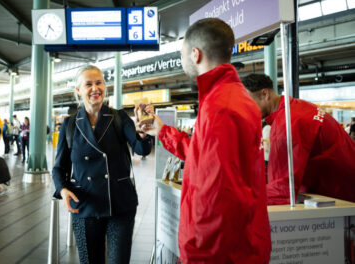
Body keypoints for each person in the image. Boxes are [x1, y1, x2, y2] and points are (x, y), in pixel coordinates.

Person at [139, 18, 271, 263]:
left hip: (217, 251)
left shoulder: (218, 106)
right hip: (242, 242)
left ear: (195, 54)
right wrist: (164, 132)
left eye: (182, 54)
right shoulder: (237, 98)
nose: (182, 61)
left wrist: (195, 251)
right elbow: (204, 158)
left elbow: (215, 192)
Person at [52, 65, 152, 264]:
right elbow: (59, 167)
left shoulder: (118, 117)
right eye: (88, 84)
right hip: (85, 205)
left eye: (99, 83)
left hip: (120, 203)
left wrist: (143, 131)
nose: (95, 88)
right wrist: (62, 189)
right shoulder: (70, 124)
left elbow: (142, 150)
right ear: (78, 90)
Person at [241, 73, 355, 204]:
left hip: (342, 196)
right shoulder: (297, 107)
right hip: (343, 185)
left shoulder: (286, 124)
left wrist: (242, 198)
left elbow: (282, 190)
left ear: (265, 94)